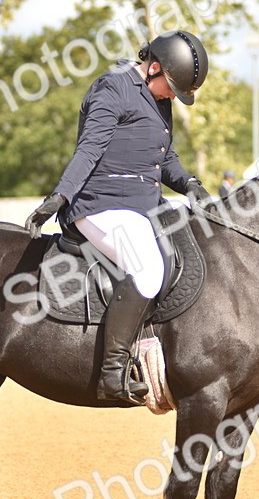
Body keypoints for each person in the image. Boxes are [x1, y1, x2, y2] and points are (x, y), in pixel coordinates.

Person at [25, 30, 212, 404]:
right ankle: (113, 373)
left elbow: (162, 157)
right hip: (100, 204)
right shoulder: (112, 88)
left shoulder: (159, 96)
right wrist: (60, 196)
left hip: (144, 204)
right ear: (153, 67)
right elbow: (90, 149)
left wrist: (190, 184)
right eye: (171, 89)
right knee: (146, 270)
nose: (171, 97)